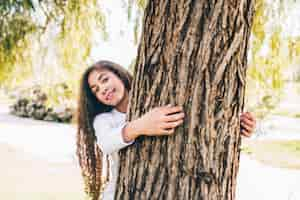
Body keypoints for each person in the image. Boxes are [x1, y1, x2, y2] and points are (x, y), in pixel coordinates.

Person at [76, 60, 256, 200]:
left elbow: (194, 117)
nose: (103, 89)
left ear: (119, 75)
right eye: (96, 90)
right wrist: (141, 126)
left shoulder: (154, 97)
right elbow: (106, 143)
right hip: (120, 194)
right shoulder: (104, 119)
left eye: (104, 79)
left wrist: (234, 123)